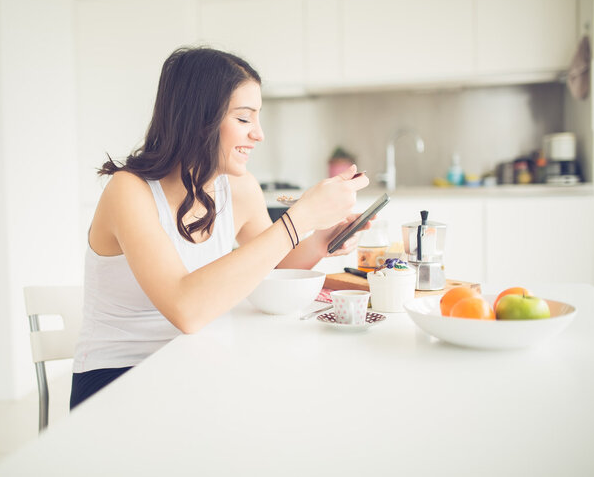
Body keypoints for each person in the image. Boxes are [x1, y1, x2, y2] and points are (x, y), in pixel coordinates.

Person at [70, 46, 370, 409]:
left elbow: (271, 267)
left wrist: (322, 238)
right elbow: (187, 309)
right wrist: (300, 217)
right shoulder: (128, 191)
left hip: (193, 360)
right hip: (119, 378)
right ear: (199, 120)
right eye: (244, 119)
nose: (258, 134)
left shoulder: (238, 188)